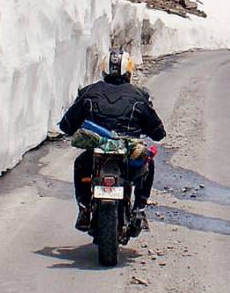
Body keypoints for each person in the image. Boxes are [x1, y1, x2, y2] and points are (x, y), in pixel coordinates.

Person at [59, 50, 166, 231]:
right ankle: (139, 208)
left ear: (104, 70)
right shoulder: (140, 95)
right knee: (148, 164)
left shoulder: (89, 92)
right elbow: (158, 132)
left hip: (97, 152)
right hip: (129, 151)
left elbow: (66, 125)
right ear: (128, 71)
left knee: (80, 165)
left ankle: (84, 208)